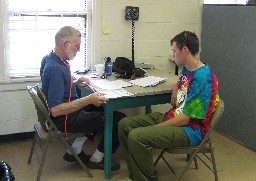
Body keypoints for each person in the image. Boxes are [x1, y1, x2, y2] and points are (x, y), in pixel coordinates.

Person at [118, 31, 219, 181]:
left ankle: (146, 178)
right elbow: (182, 80)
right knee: (124, 124)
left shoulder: (202, 78)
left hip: (190, 130)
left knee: (137, 136)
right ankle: (135, 175)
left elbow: (185, 119)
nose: (172, 55)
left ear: (185, 50)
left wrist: (154, 129)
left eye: (174, 51)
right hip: (175, 117)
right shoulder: (188, 67)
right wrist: (176, 87)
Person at [40, 26, 126, 171]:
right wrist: (88, 99)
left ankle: (74, 151)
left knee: (98, 107)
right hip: (64, 119)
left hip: (65, 113)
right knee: (118, 120)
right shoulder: (56, 69)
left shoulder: (50, 58)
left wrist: (73, 83)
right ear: (64, 44)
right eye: (77, 46)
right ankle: (97, 159)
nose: (78, 50)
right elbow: (55, 110)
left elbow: (54, 88)